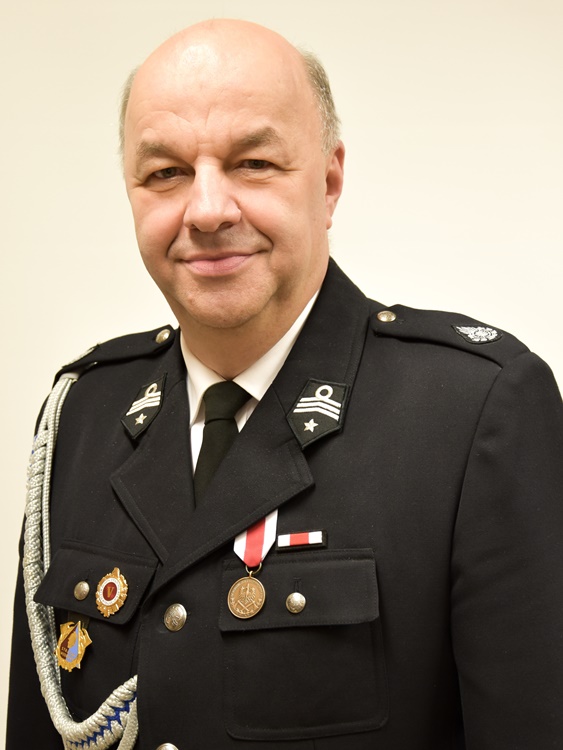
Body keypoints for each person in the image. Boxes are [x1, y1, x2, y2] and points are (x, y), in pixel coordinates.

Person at [7, 18, 563, 750]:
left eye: (253, 163)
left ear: (328, 184)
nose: (207, 210)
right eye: (166, 173)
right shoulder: (82, 413)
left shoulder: (471, 413)